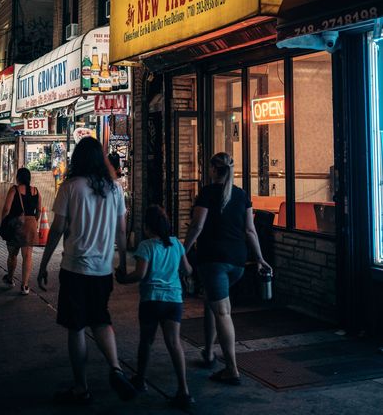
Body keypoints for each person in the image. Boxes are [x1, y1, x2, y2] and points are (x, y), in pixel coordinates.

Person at [37, 137, 136, 405]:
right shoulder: (114, 189)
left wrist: (44, 264)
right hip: (103, 270)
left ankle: (81, 387)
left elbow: (57, 229)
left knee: (77, 327)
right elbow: (122, 230)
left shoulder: (70, 187)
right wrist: (124, 263)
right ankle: (115, 368)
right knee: (101, 320)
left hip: (75, 268)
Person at [184, 152, 272, 385]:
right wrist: (260, 258)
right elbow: (250, 231)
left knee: (222, 312)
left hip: (214, 261)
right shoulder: (241, 195)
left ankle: (231, 369)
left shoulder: (207, 193)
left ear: (213, 169)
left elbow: (197, 225)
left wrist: (183, 250)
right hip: (237, 262)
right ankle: (209, 353)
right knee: (212, 304)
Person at [116, 205, 196, 413]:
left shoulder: (146, 246)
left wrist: (124, 279)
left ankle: (141, 380)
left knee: (146, 341)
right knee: (174, 343)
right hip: (173, 301)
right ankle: (184, 391)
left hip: (151, 300)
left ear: (148, 228)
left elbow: (140, 274)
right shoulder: (177, 245)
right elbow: (187, 270)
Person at [0, 167, 41, 295]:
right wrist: (34, 221)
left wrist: (4, 222)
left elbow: (6, 209)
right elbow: (38, 210)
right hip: (31, 224)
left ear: (18, 177)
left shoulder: (14, 189)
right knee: (27, 255)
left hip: (15, 224)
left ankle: (10, 278)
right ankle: (25, 286)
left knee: (12, 254)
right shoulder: (36, 191)